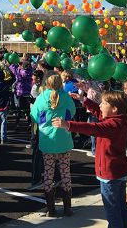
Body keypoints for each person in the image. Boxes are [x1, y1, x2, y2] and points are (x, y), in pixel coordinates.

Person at [53, 91, 127, 227]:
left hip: (110, 175)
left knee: (112, 210)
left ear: (114, 109)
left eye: (104, 103)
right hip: (118, 173)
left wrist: (68, 125)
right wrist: (85, 100)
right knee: (121, 206)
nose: (100, 105)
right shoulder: (118, 120)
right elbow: (99, 114)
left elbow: (92, 128)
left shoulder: (112, 125)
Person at [30, 74, 76, 217]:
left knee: (48, 175)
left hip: (47, 141)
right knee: (65, 173)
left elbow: (34, 116)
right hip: (64, 140)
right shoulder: (66, 98)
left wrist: (44, 123)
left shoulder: (41, 98)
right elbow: (72, 113)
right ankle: (68, 208)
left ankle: (50, 208)